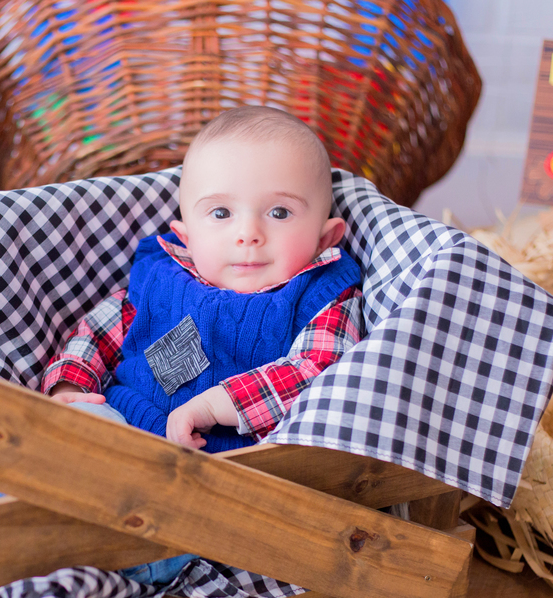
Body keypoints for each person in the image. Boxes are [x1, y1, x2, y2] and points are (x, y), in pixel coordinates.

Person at [41, 106, 364, 457]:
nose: (248, 234)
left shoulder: (322, 293)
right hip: (120, 421)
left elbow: (319, 371)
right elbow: (96, 333)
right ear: (187, 238)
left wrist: (216, 405)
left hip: (222, 462)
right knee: (58, 438)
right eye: (221, 213)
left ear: (325, 238)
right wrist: (70, 387)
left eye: (279, 212)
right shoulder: (163, 276)